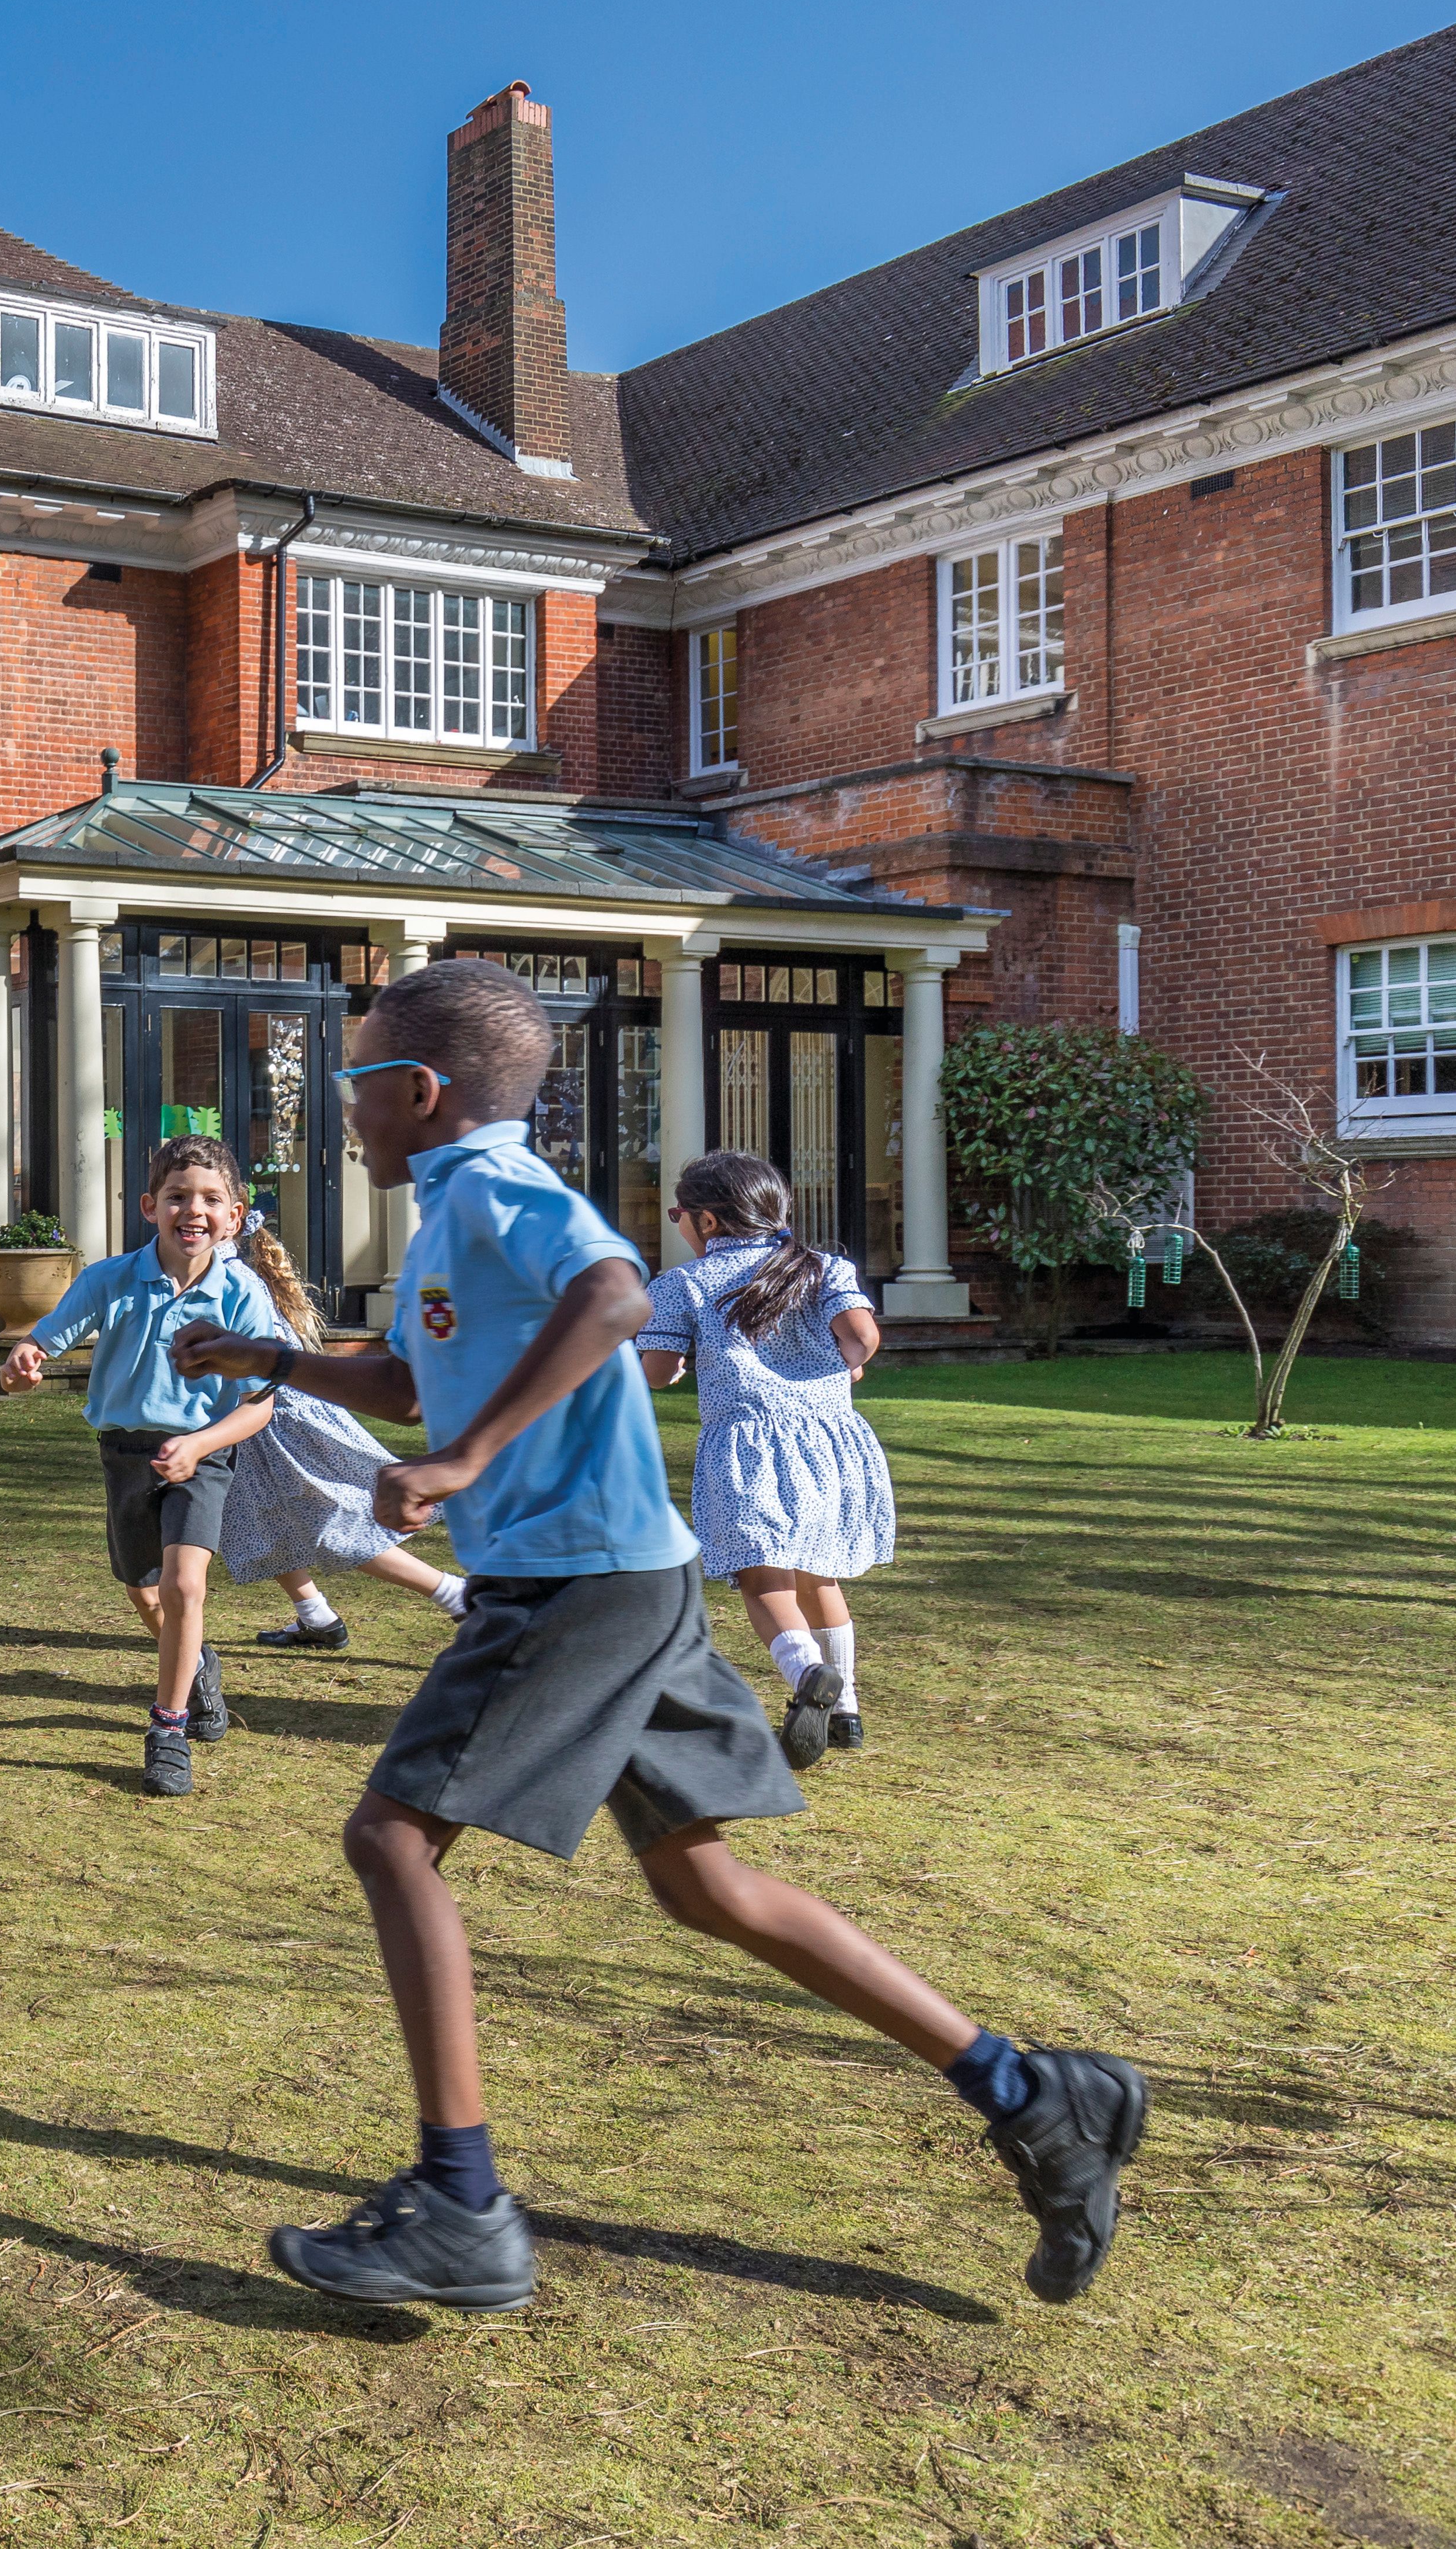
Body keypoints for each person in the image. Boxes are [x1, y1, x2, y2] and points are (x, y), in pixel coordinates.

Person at [260, 956, 1146, 2318]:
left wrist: (466, 1458)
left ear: (420, 1090)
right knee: (705, 1886)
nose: (344, 1104)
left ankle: (460, 2204)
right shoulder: (450, 1213)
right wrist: (268, 1361)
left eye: (355, 1079)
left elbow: (615, 1297)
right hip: (633, 1578)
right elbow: (408, 1376)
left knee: (390, 1839)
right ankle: (1033, 2090)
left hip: (573, 1584)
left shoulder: (496, 1185)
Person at [0, 1132, 290, 1796]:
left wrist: (199, 1445)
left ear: (234, 1217)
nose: (194, 1211)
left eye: (210, 1200)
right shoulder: (109, 1280)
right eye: (178, 1196)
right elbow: (36, 1349)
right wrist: (20, 1367)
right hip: (124, 1454)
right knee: (144, 1590)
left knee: (186, 1586)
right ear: (149, 1206)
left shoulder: (241, 1293)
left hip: (201, 1454)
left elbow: (260, 1407)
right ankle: (197, 1663)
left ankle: (167, 1729)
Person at [635, 1150, 896, 1760]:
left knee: (762, 1575)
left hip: (748, 1446)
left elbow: (656, 1372)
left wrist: (672, 1366)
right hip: (834, 1445)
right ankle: (846, 1712)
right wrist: (846, 1364)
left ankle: (807, 1674)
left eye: (677, 1214)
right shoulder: (824, 1267)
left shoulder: (682, 1284)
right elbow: (862, 1338)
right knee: (818, 1572)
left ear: (705, 1221)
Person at [214, 1203, 475, 1652]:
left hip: (275, 1417)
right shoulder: (212, 1271)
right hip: (247, 1416)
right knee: (255, 1519)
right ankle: (315, 1616)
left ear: (234, 1220)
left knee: (331, 1522)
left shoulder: (226, 1277)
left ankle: (454, 1594)